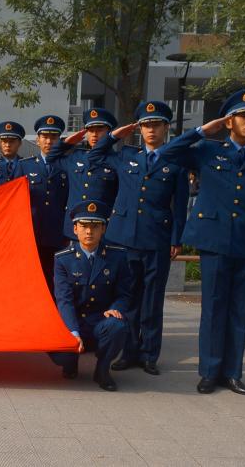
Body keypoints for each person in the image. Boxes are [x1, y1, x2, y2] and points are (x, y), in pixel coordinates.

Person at [156, 89, 245, 396]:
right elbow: (167, 152)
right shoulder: (207, 151)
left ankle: (233, 373)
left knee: (241, 311)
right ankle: (210, 372)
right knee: (213, 308)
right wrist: (201, 130)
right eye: (243, 116)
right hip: (213, 241)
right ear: (229, 122)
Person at [87, 102, 188, 375]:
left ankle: (149, 355)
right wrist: (115, 135)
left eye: (156, 124)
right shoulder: (126, 155)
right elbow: (95, 156)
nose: (151, 129)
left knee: (152, 301)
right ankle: (128, 352)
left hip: (157, 239)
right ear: (139, 129)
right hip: (124, 239)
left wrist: (176, 239)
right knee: (127, 299)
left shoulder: (175, 162)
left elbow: (180, 206)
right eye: (145, 125)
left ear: (166, 128)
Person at [49, 200, 132, 391]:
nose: (89, 231)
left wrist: (115, 309)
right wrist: (73, 333)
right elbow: (64, 300)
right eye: (84, 226)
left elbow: (125, 293)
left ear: (103, 229)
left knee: (117, 326)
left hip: (100, 322)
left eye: (95, 226)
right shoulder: (63, 259)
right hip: (75, 321)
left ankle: (102, 370)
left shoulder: (117, 256)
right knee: (59, 346)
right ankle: (70, 363)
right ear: (75, 229)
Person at [46, 108, 120, 242]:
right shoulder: (76, 157)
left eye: (99, 130)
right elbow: (51, 158)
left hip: (103, 227)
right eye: (90, 130)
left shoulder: (117, 160)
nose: (94, 135)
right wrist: (66, 143)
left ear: (109, 132)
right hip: (76, 226)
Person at [19, 115, 69, 294]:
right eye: (45, 137)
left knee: (58, 279)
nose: (49, 141)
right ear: (38, 140)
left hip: (59, 233)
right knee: (33, 279)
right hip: (33, 232)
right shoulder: (25, 166)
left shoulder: (67, 165)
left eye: (54, 137)